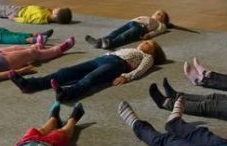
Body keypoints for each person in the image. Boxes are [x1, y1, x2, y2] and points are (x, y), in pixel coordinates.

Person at [10, 40, 166, 101]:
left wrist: (127, 77)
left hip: (118, 65)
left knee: (91, 78)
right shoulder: (133, 48)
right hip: (103, 59)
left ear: (153, 53)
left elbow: (141, 70)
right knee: (66, 72)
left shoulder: (147, 57)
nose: (144, 42)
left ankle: (67, 94)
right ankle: (30, 84)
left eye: (149, 44)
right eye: (146, 40)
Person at [84, 10, 170, 49]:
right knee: (116, 32)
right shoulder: (148, 17)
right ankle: (100, 41)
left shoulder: (160, 24)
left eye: (161, 15)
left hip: (141, 28)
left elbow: (158, 31)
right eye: (157, 13)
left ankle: (110, 43)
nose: (158, 14)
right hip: (132, 23)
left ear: (163, 20)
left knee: (124, 36)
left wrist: (148, 35)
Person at [0, 3, 73, 25]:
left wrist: (15, 19)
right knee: (5, 7)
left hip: (17, 13)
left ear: (55, 16)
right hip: (22, 9)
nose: (57, 7)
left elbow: (27, 20)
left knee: (2, 12)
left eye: (58, 9)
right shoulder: (48, 12)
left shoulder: (41, 18)